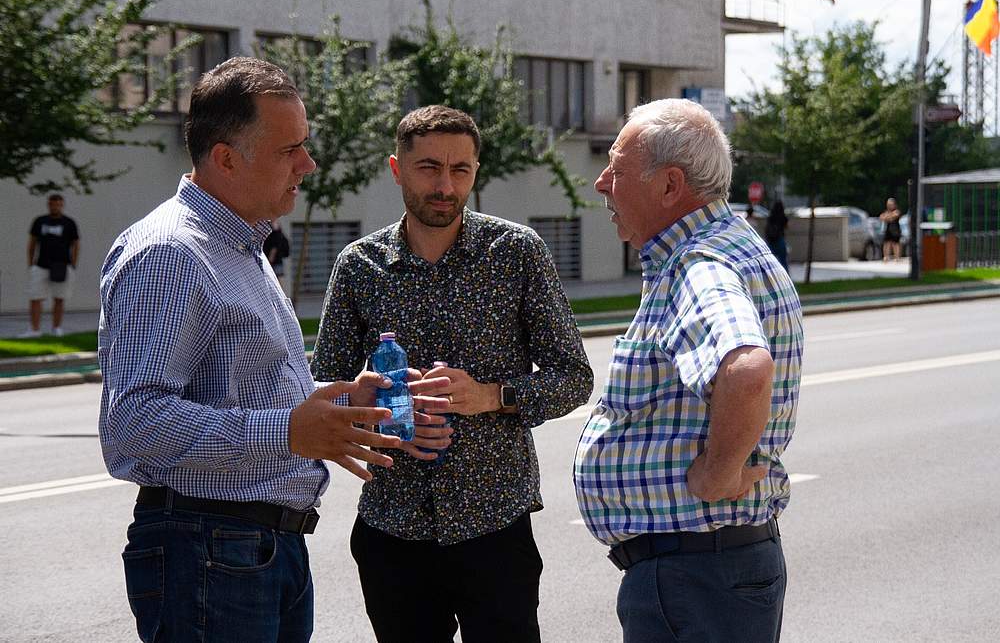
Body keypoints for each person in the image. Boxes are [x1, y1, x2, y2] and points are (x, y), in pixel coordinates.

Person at [98, 57, 448, 642]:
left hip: (253, 547)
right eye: (290, 149)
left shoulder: (238, 245)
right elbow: (133, 424)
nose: (307, 164)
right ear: (226, 159)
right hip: (209, 547)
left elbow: (243, 390)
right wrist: (288, 431)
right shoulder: (170, 254)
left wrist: (340, 404)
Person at [310, 105, 594, 643]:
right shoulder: (358, 265)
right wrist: (387, 420)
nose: (445, 186)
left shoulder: (516, 253)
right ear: (397, 169)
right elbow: (323, 395)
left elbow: (573, 376)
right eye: (429, 168)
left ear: (475, 171)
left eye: (460, 169)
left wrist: (490, 395)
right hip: (393, 526)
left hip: (494, 524)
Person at [573, 99, 804, 642]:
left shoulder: (700, 264)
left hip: (695, 576)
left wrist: (717, 475)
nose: (602, 183)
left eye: (617, 169)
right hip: (709, 572)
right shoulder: (721, 245)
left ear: (670, 185)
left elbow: (746, 369)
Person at [24, 193, 79, 337]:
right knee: (35, 297)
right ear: (49, 204)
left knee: (59, 298)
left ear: (62, 205)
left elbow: (76, 243)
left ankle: (57, 328)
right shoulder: (40, 221)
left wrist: (73, 263)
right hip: (41, 264)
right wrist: (31, 262)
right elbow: (32, 242)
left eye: (58, 204)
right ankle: (35, 330)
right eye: (53, 204)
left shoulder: (69, 223)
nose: (55, 207)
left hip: (62, 265)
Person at [264, 219, 291, 292]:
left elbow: (275, 247)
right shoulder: (278, 233)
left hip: (274, 262)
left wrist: (270, 258)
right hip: (275, 261)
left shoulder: (277, 234)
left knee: (277, 280)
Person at [765, 199, 790, 271]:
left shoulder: (771, 217)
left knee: (771, 262)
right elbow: (786, 227)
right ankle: (785, 276)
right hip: (780, 239)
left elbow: (767, 227)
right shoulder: (783, 217)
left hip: (770, 240)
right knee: (783, 261)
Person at [880, 197, 902, 262]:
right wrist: (888, 217)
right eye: (888, 204)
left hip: (895, 230)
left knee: (895, 244)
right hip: (888, 229)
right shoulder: (886, 212)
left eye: (891, 204)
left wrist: (887, 217)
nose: (889, 206)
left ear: (894, 205)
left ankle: (897, 257)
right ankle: (886, 257)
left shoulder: (897, 211)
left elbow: (894, 216)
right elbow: (881, 217)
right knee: (886, 243)